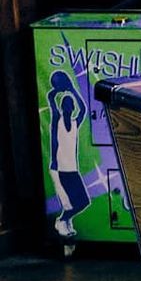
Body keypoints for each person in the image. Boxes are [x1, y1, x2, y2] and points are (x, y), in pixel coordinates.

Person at [46, 67, 92, 241]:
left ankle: (65, 219)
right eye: (66, 104)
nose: (69, 106)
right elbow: (51, 98)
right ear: (62, 107)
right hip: (61, 168)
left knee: (84, 202)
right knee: (72, 201)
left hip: (72, 169)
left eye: (70, 104)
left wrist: (71, 88)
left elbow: (84, 109)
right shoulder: (56, 120)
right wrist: (57, 89)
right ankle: (63, 220)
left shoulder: (74, 123)